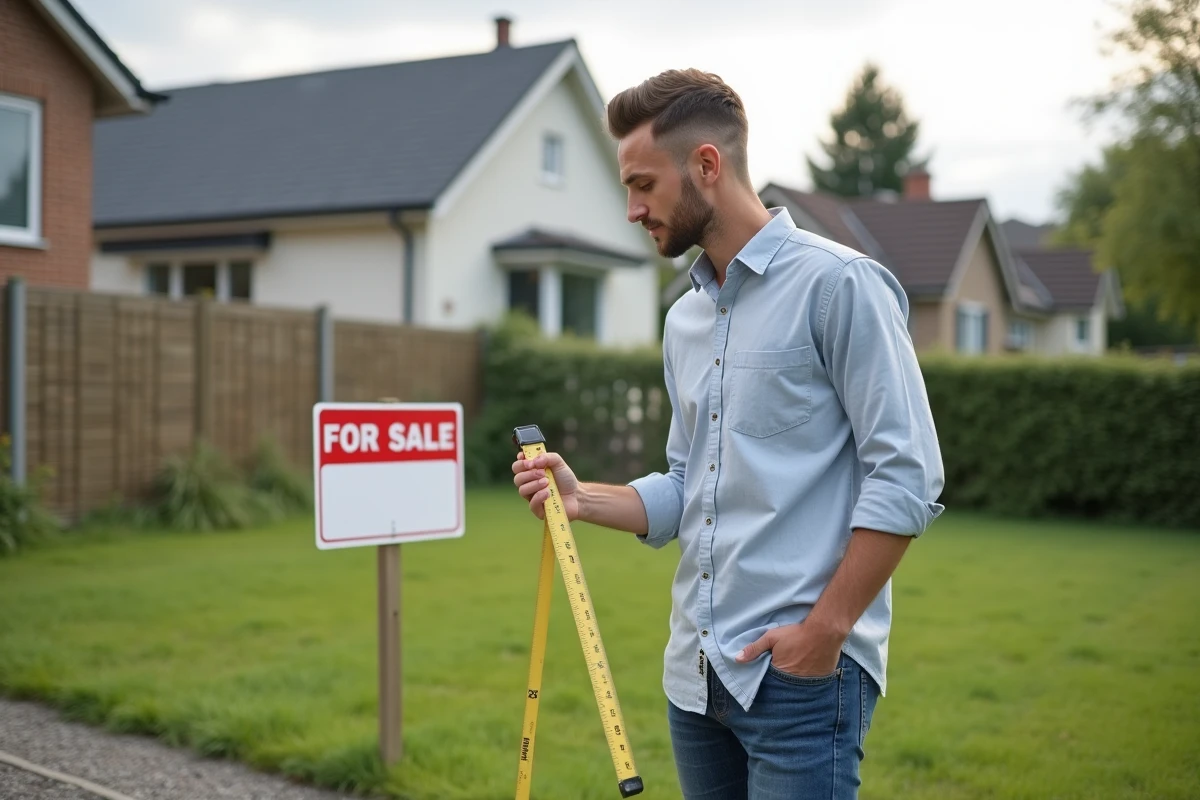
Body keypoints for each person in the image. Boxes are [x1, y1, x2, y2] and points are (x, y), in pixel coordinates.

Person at [511, 68, 945, 800]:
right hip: (695, 677)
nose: (630, 209)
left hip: (801, 681)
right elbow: (690, 483)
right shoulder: (683, 317)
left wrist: (824, 633)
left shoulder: (840, 286)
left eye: (643, 185)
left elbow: (907, 476)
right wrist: (583, 498)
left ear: (706, 166)